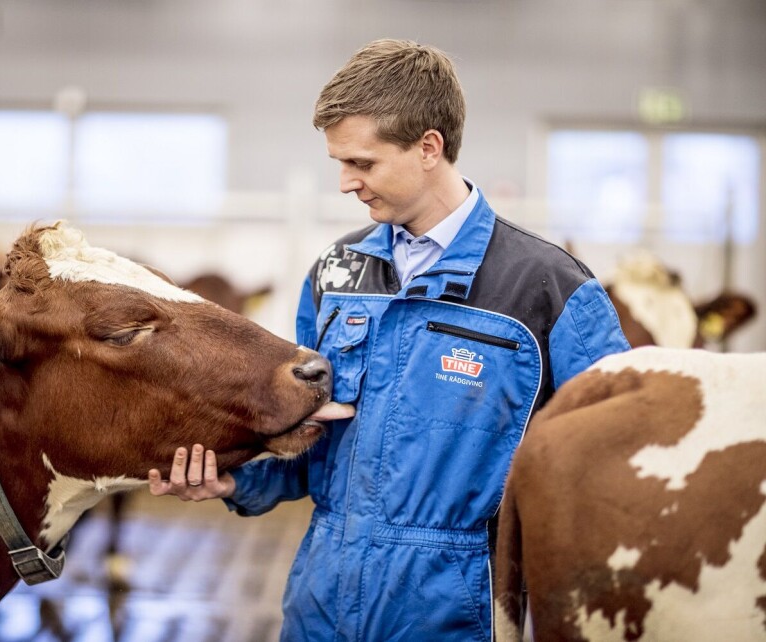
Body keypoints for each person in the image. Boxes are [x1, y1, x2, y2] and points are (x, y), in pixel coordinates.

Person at [149, 38, 630, 641]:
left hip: (455, 609)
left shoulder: (547, 287)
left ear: (429, 147)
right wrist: (235, 479)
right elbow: (304, 442)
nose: (347, 183)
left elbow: (618, 460)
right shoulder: (335, 274)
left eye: (363, 164)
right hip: (321, 600)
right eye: (340, 164)